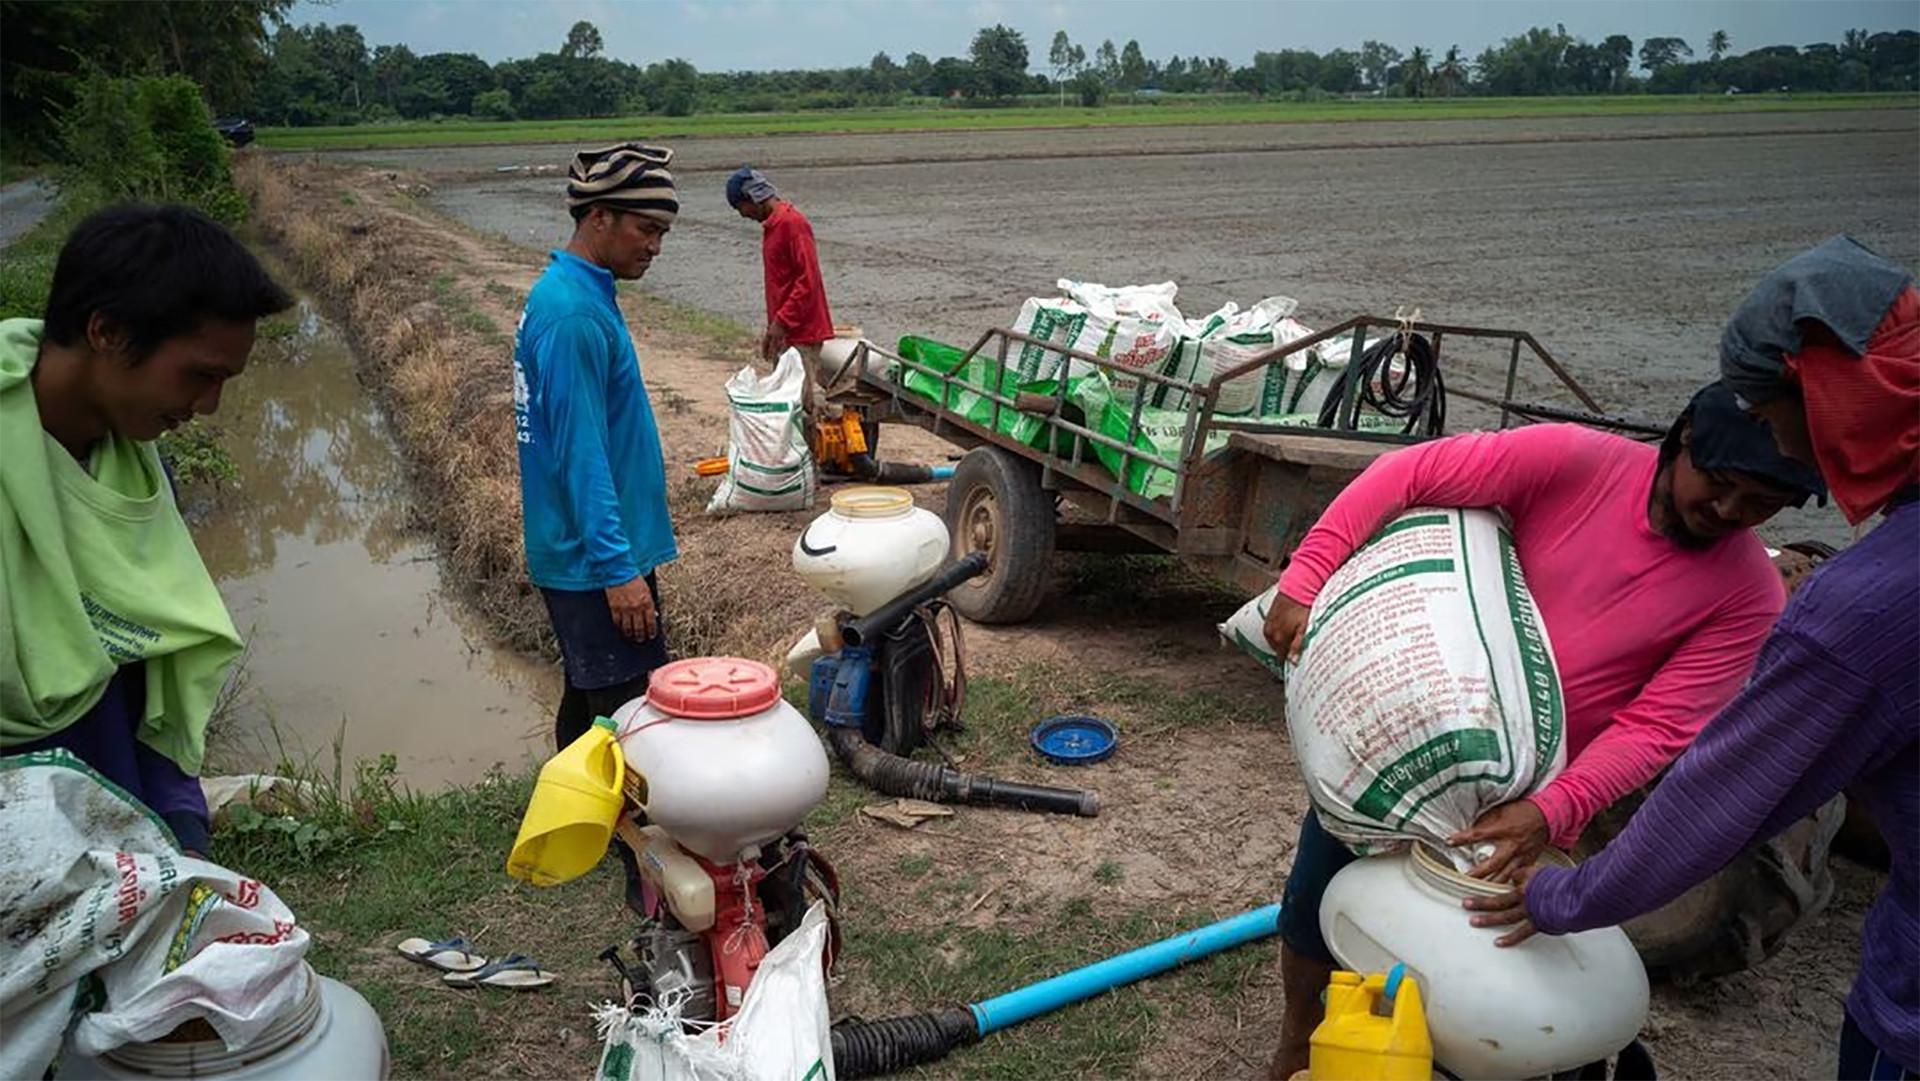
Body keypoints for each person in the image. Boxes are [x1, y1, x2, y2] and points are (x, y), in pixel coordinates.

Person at [1260, 382, 1826, 1079]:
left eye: (1760, 505)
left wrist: (1550, 810)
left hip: (1538, 790)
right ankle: (1297, 1042)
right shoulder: (1575, 461)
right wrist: (1306, 577)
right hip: (1411, 737)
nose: (1729, 512)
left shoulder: (1748, 595)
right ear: (1682, 442)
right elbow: (1409, 473)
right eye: (1719, 483)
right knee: (1319, 896)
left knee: (1483, 957)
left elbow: (1655, 728)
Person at [1466, 236, 1918, 1080]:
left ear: (1821, 395)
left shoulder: (1862, 606)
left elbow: (1721, 792)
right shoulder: (1578, 468)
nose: (1779, 445)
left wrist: (1561, 895)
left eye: (1771, 415)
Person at [0, 203, 294, 857]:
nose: (208, 405)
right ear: (107, 331)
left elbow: (145, 659)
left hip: (125, 834)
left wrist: (184, 828)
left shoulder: (133, 470)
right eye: (201, 374)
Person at [513, 142, 681, 758]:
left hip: (592, 549)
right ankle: (629, 841)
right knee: (625, 719)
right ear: (599, 217)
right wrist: (619, 572)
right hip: (597, 558)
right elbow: (581, 457)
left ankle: (575, 823)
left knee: (589, 702)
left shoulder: (577, 293)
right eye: (646, 228)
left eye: (662, 231)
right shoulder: (574, 315)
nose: (655, 246)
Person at [725, 166, 835, 416]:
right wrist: (774, 329)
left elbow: (808, 280)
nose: (742, 215)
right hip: (788, 332)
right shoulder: (774, 226)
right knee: (787, 405)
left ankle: (819, 454)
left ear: (752, 199)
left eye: (739, 207)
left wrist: (782, 323)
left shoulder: (792, 224)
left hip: (803, 331)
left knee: (800, 407)